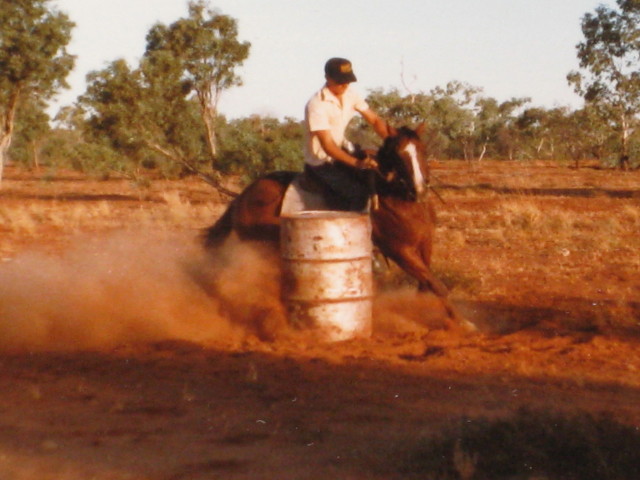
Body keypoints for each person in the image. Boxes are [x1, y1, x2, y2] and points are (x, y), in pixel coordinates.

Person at [304, 57, 389, 211]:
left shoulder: (351, 94)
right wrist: (358, 164)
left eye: (348, 81)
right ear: (327, 78)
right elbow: (328, 146)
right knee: (357, 194)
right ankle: (351, 232)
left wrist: (391, 141)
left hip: (342, 152)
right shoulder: (316, 105)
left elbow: (375, 120)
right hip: (322, 162)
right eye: (340, 81)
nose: (345, 85)